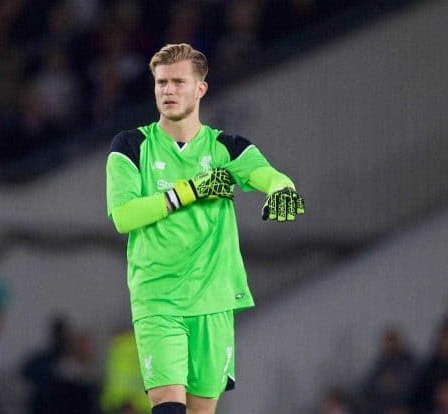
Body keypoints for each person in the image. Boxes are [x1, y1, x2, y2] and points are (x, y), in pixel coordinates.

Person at [105, 43, 305, 414]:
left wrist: (282, 188)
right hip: (157, 296)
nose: (168, 90)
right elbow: (123, 215)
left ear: (200, 89)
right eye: (161, 82)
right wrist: (190, 191)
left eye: (178, 82)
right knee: (167, 404)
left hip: (213, 298)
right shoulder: (131, 145)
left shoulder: (226, 148)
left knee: (201, 410)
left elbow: (267, 175)